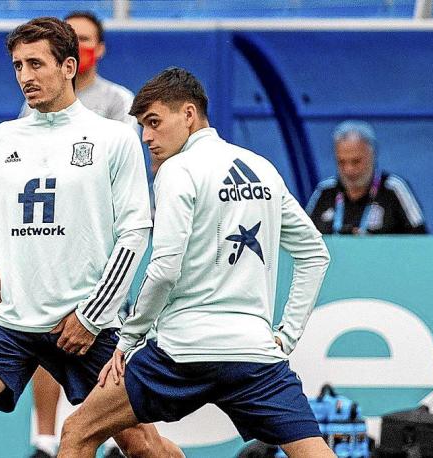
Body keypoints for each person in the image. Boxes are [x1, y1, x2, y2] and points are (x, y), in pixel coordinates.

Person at [0, 17, 182, 458]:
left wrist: (91, 314)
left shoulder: (114, 138)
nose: (25, 76)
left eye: (36, 64)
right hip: (6, 319)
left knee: (141, 444)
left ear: (68, 66)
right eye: (17, 66)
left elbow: (135, 230)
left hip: (84, 320)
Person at [57, 68, 334, 458]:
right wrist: (286, 336)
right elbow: (314, 253)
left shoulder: (177, 170)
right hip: (254, 355)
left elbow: (164, 269)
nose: (146, 138)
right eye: (141, 126)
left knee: (77, 432)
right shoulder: (263, 169)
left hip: (181, 354)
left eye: (153, 122)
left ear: (188, 114)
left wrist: (129, 339)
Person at [18, 12, 137, 458]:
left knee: (108, 344)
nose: (79, 45)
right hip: (48, 243)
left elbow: (117, 180)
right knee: (48, 335)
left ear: (98, 48)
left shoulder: (117, 103)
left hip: (101, 249)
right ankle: (46, 441)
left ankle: (113, 439)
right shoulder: (32, 104)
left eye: (85, 38)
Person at [306, 120, 427, 235]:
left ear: (373, 155)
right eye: (341, 162)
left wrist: (372, 246)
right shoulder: (325, 190)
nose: (349, 169)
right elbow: (301, 237)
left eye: (356, 161)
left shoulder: (394, 188)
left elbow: (421, 242)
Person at [19, 11, 135, 128]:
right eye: (70, 39)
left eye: (83, 39)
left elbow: (124, 143)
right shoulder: (39, 98)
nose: (76, 46)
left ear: (100, 49)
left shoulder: (119, 99)